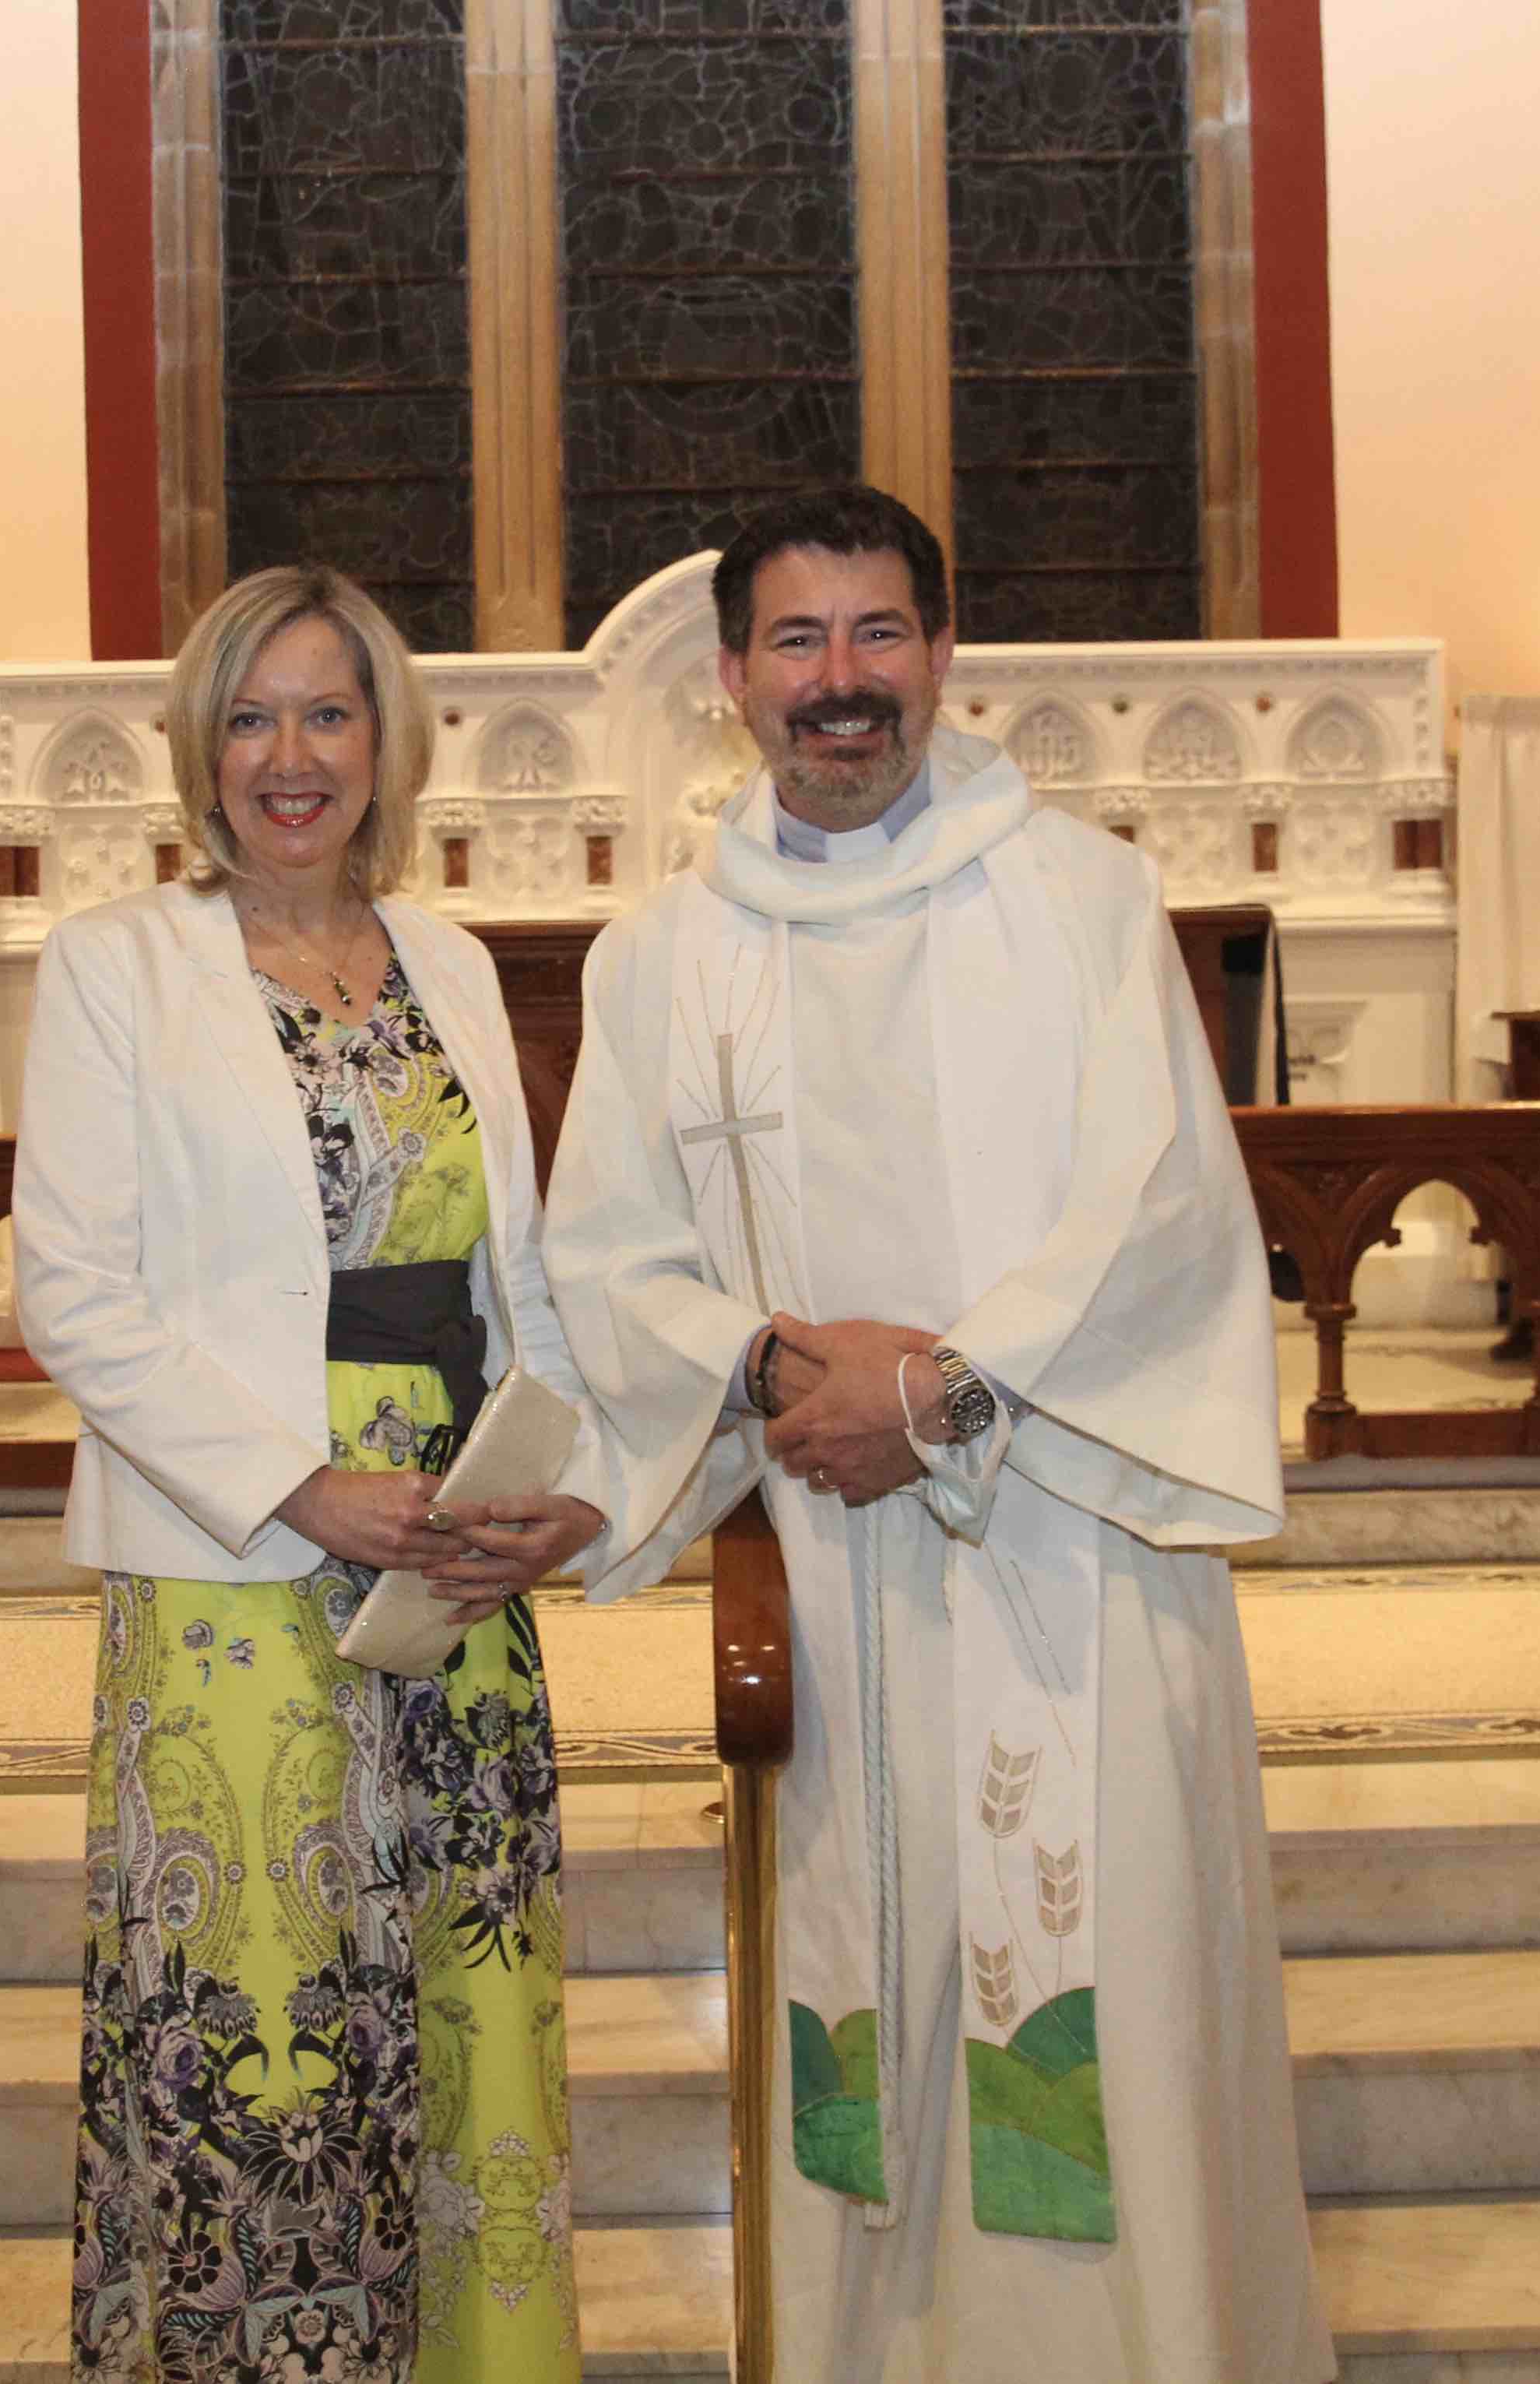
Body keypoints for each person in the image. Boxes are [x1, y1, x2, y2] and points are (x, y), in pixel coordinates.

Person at [540, 485, 1333, 2381]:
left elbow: (1158, 1210)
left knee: (1099, 1997)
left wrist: (940, 1389)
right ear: (730, 675)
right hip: (824, 1555)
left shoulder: (1078, 898)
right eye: (797, 642)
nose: (840, 683)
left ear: (944, 654)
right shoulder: (663, 954)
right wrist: (767, 1368)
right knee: (869, 2014)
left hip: (1064, 1542)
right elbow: (606, 1251)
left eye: (877, 634)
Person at [9, 564, 619, 2383]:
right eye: (254, 716)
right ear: (202, 746)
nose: (292, 755)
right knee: (266, 2016)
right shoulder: (121, 966)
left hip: (455, 1556)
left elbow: (529, 1263)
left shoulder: (451, 960)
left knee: (456, 2000)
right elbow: (76, 1292)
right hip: (237, 1570)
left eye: (328, 713)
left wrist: (554, 1477)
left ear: (385, 743)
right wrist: (294, 1482)